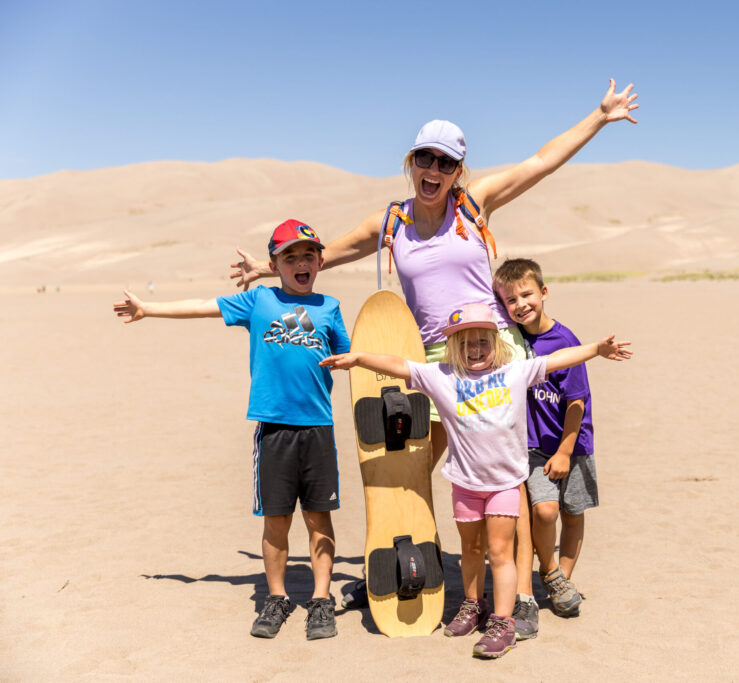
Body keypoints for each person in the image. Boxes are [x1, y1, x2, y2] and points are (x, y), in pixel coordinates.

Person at [230, 77, 639, 631]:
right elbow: (325, 255)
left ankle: (515, 598)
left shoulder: (475, 206)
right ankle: (406, 571)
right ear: (411, 160)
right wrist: (262, 269)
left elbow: (541, 163)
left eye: (446, 163)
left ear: (458, 172)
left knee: (505, 476)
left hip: (490, 355)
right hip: (430, 360)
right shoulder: (391, 223)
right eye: (425, 157)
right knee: (412, 468)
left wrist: (600, 114)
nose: (434, 170)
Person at [319, 303, 631, 658]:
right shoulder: (443, 376)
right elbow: (400, 365)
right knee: (471, 551)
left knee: (500, 553)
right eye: (467, 342)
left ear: (495, 343)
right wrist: (358, 358)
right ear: (455, 347)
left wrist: (596, 349)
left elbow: (559, 359)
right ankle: (472, 605)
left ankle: (502, 622)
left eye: (483, 341)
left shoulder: (515, 372)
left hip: (503, 485)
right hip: (465, 484)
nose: (476, 349)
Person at [113, 219, 351, 641]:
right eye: (290, 256)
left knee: (319, 520)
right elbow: (204, 305)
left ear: (319, 262)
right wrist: (150, 309)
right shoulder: (257, 300)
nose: (301, 263)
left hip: (318, 429)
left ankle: (320, 600)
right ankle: (276, 598)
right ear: (274, 264)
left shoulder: (330, 308)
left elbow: (351, 358)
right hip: (274, 430)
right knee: (276, 522)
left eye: (308, 255)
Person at [494, 257, 602, 619]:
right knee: (544, 511)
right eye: (510, 300)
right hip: (534, 447)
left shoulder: (563, 340)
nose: (520, 305)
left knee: (573, 514)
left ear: (543, 291)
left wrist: (566, 452)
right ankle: (551, 571)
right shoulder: (510, 339)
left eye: (527, 295)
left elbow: (576, 403)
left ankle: (560, 582)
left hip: (573, 443)